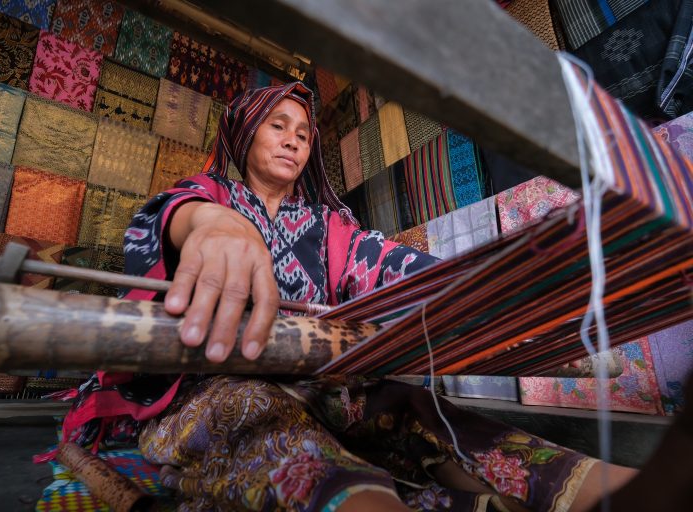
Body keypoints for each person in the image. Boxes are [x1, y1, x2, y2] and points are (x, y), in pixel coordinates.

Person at [59, 81, 646, 511]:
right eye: (277, 126)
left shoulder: (324, 225)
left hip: (318, 381)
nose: (293, 141)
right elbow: (171, 217)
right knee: (258, 417)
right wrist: (216, 227)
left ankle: (603, 488)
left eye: (303, 133)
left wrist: (482, 290)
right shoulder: (205, 198)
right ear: (244, 131)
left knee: (411, 408)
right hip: (214, 390)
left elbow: (387, 264)